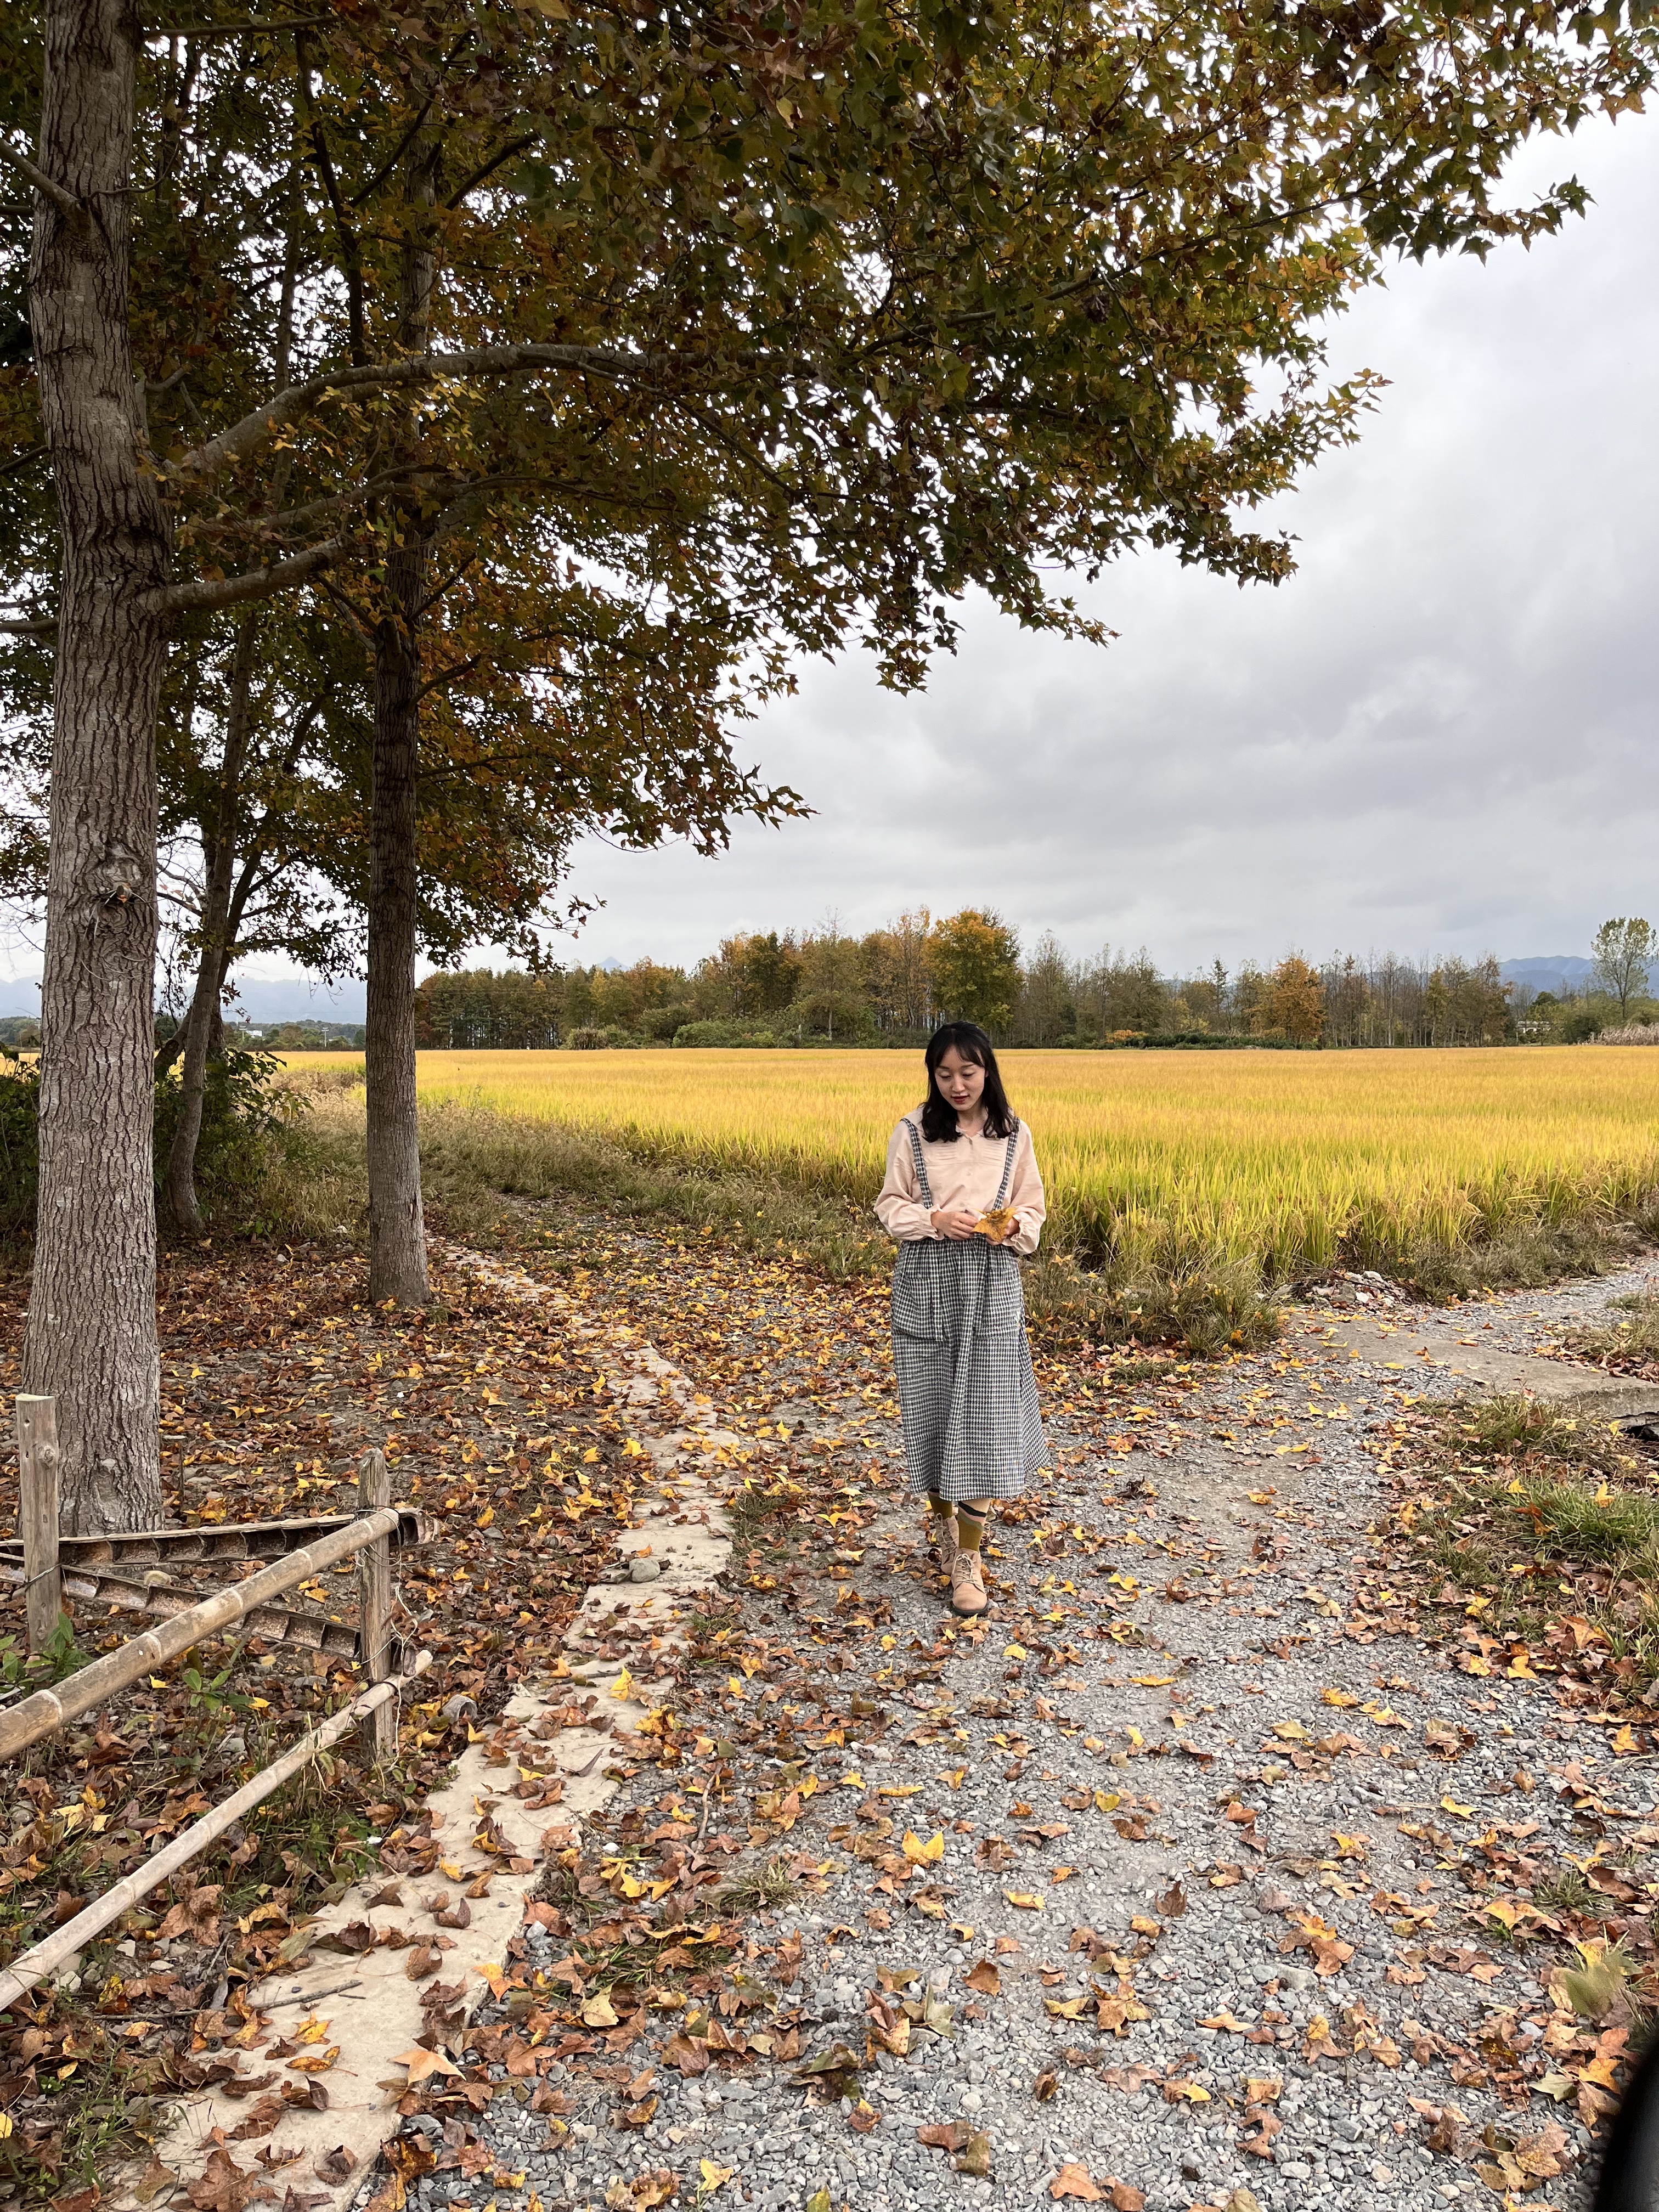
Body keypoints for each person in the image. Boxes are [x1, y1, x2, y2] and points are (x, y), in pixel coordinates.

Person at [874, 1022, 1049, 1616]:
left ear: (987, 1072)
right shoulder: (913, 1132)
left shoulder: (1015, 1133)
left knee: (986, 1421)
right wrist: (932, 1219)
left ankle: (969, 1559)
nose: (956, 1085)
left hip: (992, 1285)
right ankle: (945, 1530)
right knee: (933, 1414)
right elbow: (889, 1205)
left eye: (967, 1074)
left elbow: (1033, 1206)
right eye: (944, 1074)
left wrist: (1017, 1226)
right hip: (927, 1283)